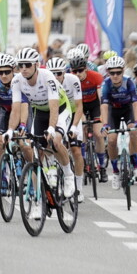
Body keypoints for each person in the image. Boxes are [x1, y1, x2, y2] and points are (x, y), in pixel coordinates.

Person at [5, 47, 75, 219]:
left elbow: (53, 107)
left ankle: (68, 175)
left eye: (27, 65)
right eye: (20, 65)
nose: (23, 69)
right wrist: (9, 130)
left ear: (36, 64)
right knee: (36, 156)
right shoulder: (17, 81)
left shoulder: (47, 77)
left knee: (55, 141)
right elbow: (15, 110)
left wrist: (52, 129)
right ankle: (38, 201)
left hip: (60, 109)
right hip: (38, 112)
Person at [0, 53, 30, 187]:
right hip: (5, 111)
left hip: (23, 111)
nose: (3, 75)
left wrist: (22, 124)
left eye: (7, 72)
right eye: (0, 72)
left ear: (13, 70)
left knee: (23, 142)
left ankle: (29, 171)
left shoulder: (20, 81)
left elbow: (24, 106)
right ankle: (2, 174)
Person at [100, 56, 137, 189]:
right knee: (112, 140)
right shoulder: (106, 85)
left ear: (123, 71)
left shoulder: (129, 82)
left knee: (134, 132)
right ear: (108, 72)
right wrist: (105, 125)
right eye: (112, 73)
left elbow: (135, 104)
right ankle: (115, 172)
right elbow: (104, 107)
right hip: (113, 111)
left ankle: (136, 166)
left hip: (127, 109)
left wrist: (136, 122)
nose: (115, 76)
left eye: (118, 72)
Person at [47, 57, 85, 200]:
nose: (56, 77)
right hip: (57, 113)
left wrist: (74, 126)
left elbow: (79, 106)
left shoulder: (73, 80)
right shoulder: (47, 83)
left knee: (76, 150)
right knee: (51, 142)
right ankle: (53, 168)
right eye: (53, 74)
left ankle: (79, 188)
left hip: (73, 113)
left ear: (64, 73)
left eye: (59, 74)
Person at [70, 48, 108, 182]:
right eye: (74, 71)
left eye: (80, 70)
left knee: (98, 134)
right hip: (80, 106)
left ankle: (102, 167)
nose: (77, 74)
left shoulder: (96, 76)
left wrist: (102, 118)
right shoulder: (71, 80)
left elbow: (101, 98)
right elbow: (72, 102)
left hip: (94, 105)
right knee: (82, 132)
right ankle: (85, 162)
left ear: (86, 69)